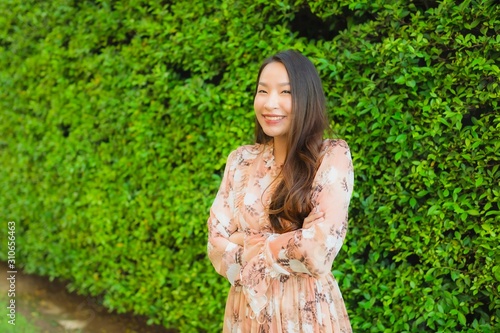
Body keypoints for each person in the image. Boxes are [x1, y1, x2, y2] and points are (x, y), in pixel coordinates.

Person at [207, 50, 354, 332]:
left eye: (285, 92)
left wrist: (247, 241)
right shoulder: (240, 160)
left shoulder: (331, 156)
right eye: (263, 91)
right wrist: (285, 242)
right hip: (245, 315)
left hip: (305, 314)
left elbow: (318, 249)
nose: (270, 103)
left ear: (307, 98)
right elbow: (216, 244)